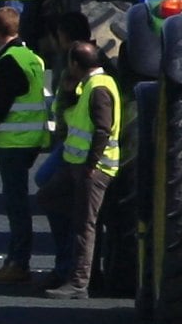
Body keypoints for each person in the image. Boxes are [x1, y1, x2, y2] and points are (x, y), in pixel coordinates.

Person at [34, 31, 125, 298]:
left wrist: (91, 164)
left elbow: (102, 129)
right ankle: (74, 270)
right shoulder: (92, 86)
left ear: (75, 64)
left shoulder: (98, 89)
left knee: (85, 225)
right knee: (49, 199)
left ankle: (79, 282)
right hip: (78, 165)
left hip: (93, 169)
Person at [0, 5, 54, 286]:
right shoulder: (30, 57)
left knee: (16, 204)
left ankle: (19, 262)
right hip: (31, 138)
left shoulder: (9, 61)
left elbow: (0, 109)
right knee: (18, 202)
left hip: (13, 142)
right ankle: (17, 260)